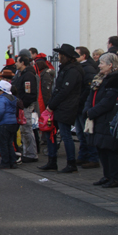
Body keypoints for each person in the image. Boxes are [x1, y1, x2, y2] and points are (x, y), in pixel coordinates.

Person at [38, 44, 84, 173]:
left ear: (66, 56)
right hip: (60, 106)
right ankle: (52, 161)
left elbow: (65, 91)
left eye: (60, 55)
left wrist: (51, 105)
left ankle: (71, 163)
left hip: (66, 107)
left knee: (65, 135)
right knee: (50, 132)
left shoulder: (73, 71)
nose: (58, 58)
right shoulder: (66, 69)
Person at [84, 53, 118, 188]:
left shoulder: (116, 80)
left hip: (108, 119)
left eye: (102, 63)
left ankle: (115, 178)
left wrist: (92, 112)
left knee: (110, 150)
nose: (99, 65)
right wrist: (88, 109)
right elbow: (92, 96)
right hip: (99, 118)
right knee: (101, 148)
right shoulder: (100, 79)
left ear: (110, 65)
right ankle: (107, 176)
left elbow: (108, 101)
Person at [74, 47, 99, 168]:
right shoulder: (82, 67)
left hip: (83, 105)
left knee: (87, 132)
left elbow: (88, 88)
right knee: (80, 132)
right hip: (79, 105)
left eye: (77, 54)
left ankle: (92, 157)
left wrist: (79, 100)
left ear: (84, 56)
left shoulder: (88, 68)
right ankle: (83, 155)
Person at [13, 55, 39, 163]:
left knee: (27, 130)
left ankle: (31, 154)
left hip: (25, 106)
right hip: (23, 105)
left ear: (23, 63)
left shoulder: (28, 75)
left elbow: (29, 93)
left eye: (17, 62)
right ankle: (27, 152)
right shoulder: (22, 74)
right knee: (24, 131)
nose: (15, 63)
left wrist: (23, 105)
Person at [0, 80, 19, 169]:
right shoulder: (13, 98)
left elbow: (0, 112)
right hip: (13, 123)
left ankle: (5, 162)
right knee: (10, 143)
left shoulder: (1, 99)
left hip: (4, 123)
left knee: (3, 143)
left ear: (2, 90)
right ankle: (13, 161)